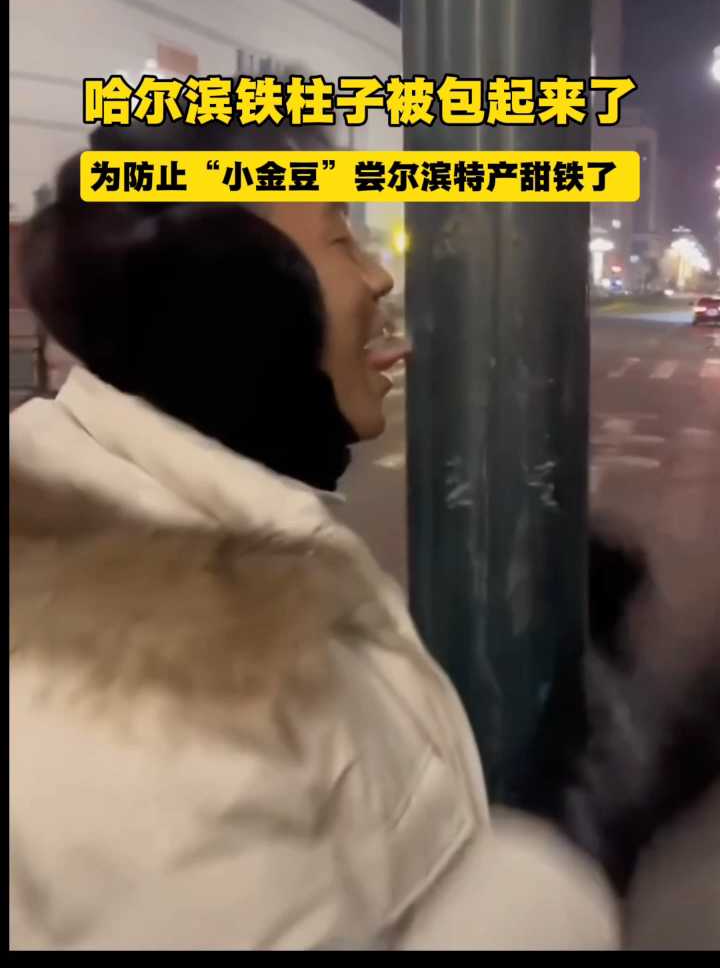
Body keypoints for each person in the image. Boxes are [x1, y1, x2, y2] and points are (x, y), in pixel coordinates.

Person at [10, 119, 618, 950]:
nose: (378, 276)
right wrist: (574, 858)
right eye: (339, 238)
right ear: (240, 306)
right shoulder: (148, 699)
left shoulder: (192, 538)